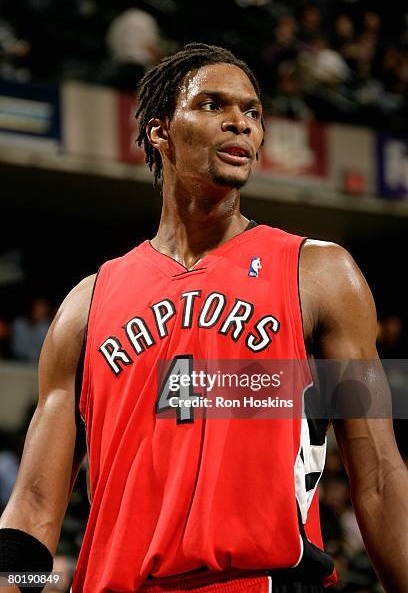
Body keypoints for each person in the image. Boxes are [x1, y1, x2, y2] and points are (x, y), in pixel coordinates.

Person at [0, 43, 407, 593]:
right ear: (159, 131)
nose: (239, 122)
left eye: (253, 111)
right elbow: (32, 504)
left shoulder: (321, 275)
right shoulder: (87, 304)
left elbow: (380, 476)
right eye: (212, 105)